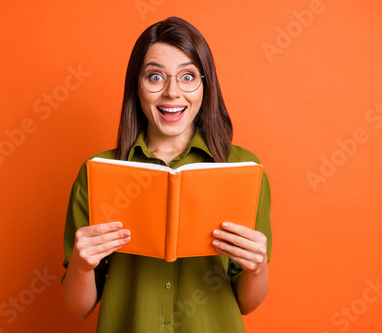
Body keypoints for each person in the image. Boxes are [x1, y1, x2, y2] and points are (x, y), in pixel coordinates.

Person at [61, 16, 272, 332]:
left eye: (187, 76)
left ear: (206, 84)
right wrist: (80, 264)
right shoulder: (97, 172)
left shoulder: (244, 169)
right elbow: (79, 309)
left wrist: (257, 269)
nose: (172, 92)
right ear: (137, 84)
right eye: (155, 76)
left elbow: (247, 303)